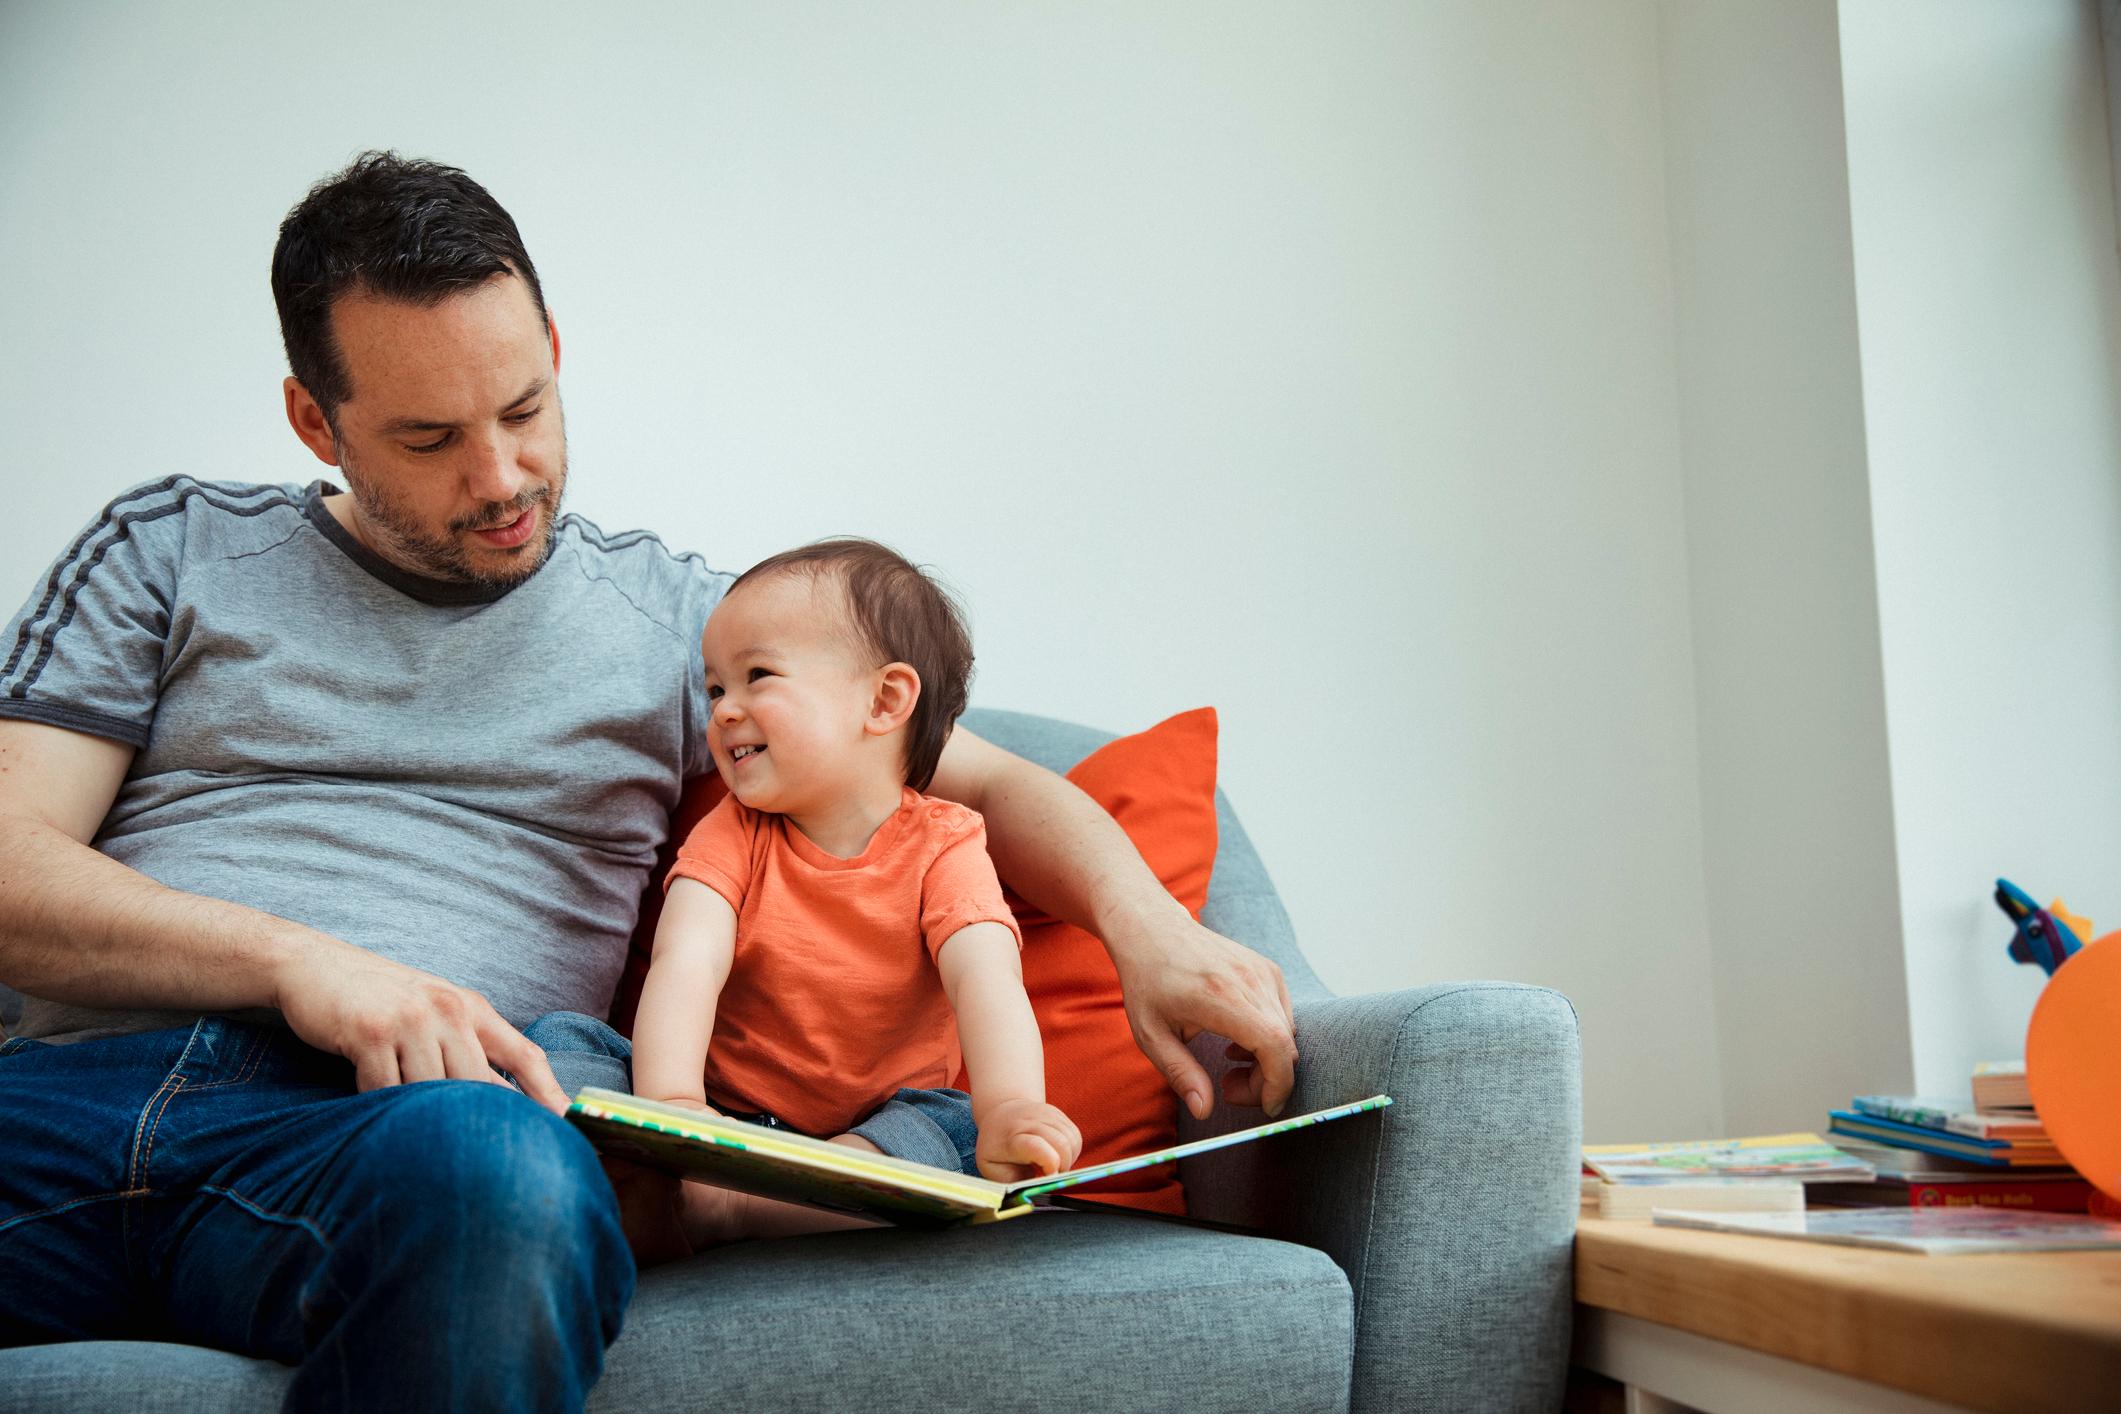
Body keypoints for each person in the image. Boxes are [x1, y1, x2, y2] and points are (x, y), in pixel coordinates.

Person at [0, 151, 1295, 1410]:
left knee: (511, 1183)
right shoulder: (169, 549)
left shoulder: (676, 624)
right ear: (313, 419)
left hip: (396, 1136)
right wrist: (301, 962)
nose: (501, 479)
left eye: (522, 410)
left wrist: (1149, 931)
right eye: (432, 436)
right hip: (63, 1095)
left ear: (554, 354)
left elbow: (992, 786)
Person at [631, 538, 1083, 1247]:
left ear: (883, 700)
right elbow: (685, 962)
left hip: (877, 1130)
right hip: (728, 1117)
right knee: (563, 1042)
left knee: (962, 1134)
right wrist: (674, 1102)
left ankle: (732, 1208)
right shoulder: (735, 829)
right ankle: (711, 1179)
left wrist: (1011, 1106)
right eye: (715, 687)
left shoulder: (947, 844)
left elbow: (986, 983)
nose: (721, 711)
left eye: (757, 676)